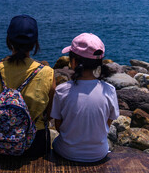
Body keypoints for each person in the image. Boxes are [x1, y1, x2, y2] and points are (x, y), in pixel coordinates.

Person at [0, 15, 56, 156]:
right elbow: (49, 115)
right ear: (35, 43)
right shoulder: (46, 74)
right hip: (34, 143)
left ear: (9, 41)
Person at [51, 33, 120, 162]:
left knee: (54, 142)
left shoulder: (62, 90)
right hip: (99, 153)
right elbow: (107, 123)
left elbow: (58, 126)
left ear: (74, 62)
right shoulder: (109, 90)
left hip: (67, 152)